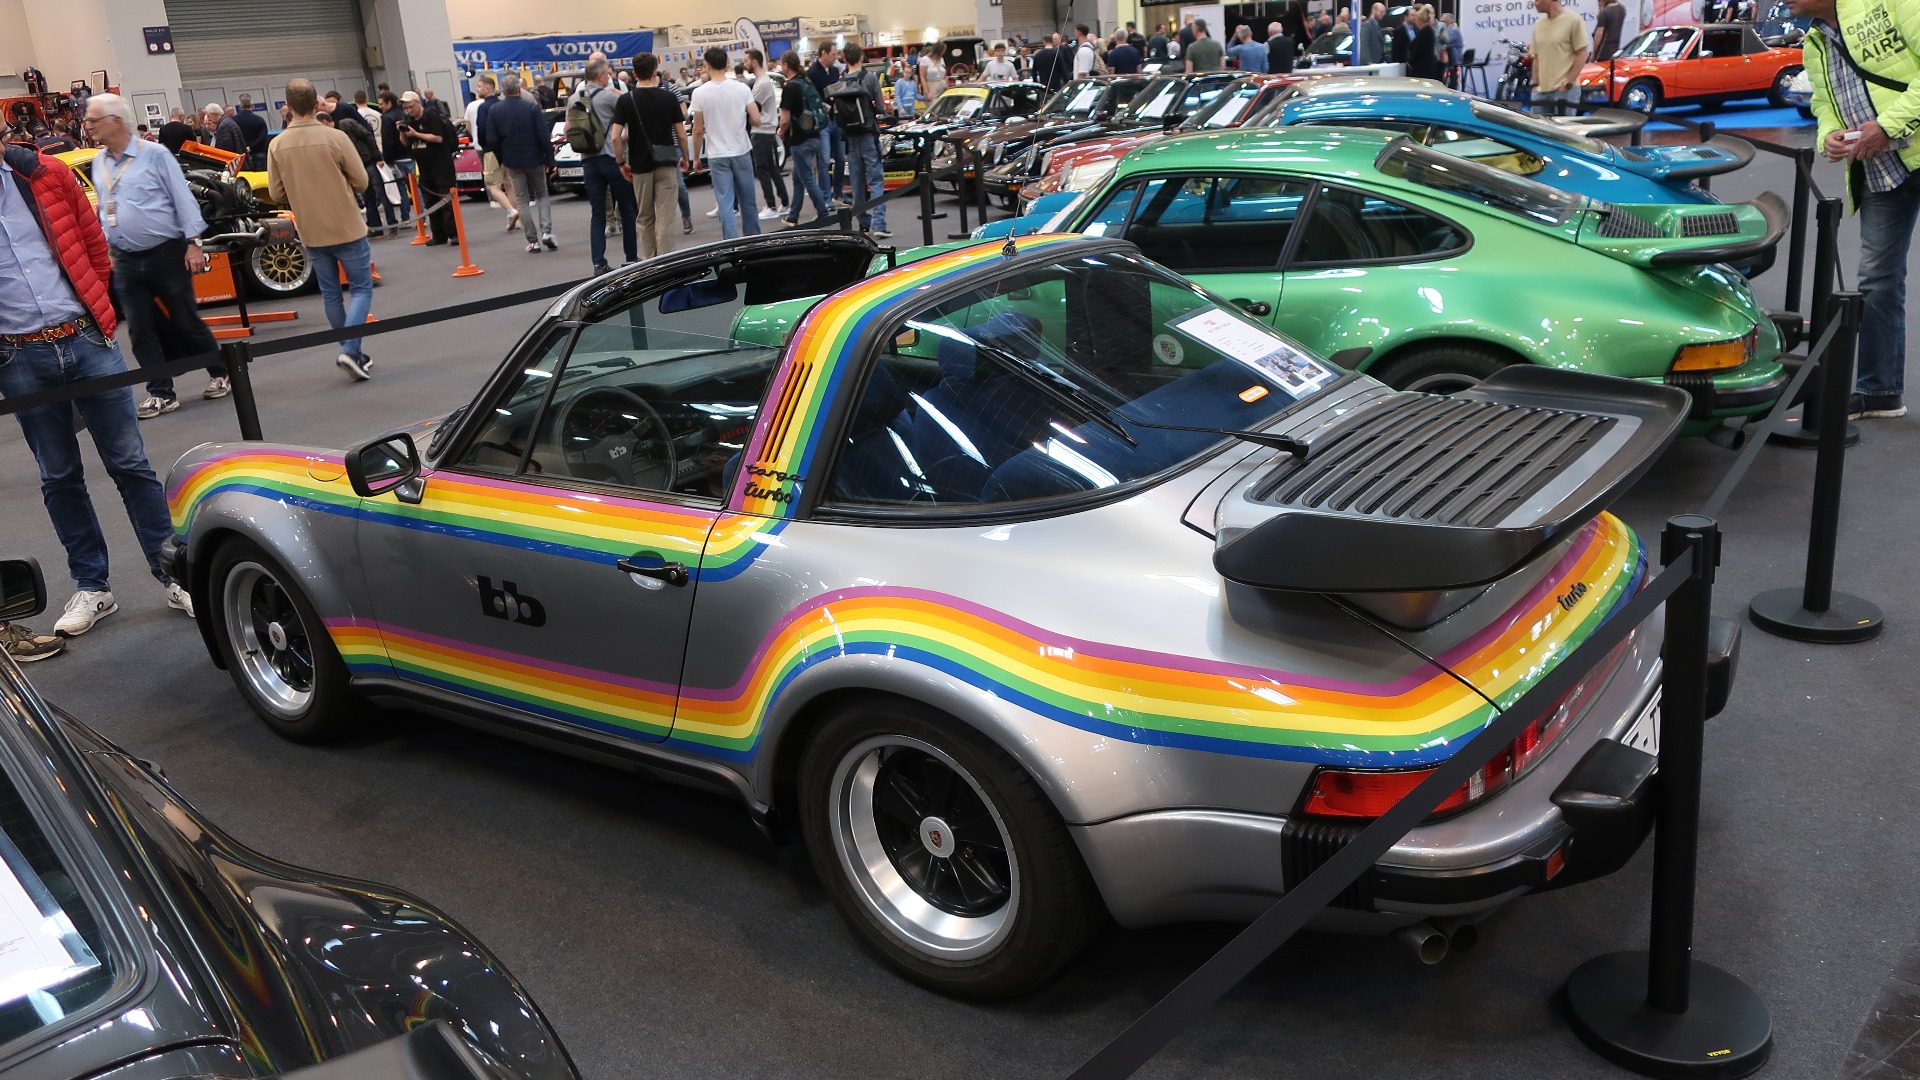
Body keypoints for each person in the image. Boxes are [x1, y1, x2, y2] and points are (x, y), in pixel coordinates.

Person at [0, 141, 194, 636]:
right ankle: (93, 586)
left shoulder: (44, 173)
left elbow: (91, 245)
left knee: (130, 463)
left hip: (85, 337)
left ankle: (171, 571)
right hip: (18, 354)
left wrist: (96, 313)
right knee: (58, 475)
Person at [1797, 0, 1917, 417]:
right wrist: (1829, 134)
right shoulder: (1814, 39)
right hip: (1880, 168)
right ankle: (1880, 392)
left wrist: (1888, 126)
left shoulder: (1892, 3)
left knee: (1878, 279)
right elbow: (1824, 103)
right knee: (1877, 280)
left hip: (1899, 145)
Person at [80, 92, 229, 422]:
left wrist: (194, 244)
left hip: (167, 253)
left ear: (115, 121)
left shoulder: (155, 155)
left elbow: (182, 199)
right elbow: (106, 211)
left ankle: (221, 370)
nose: (87, 126)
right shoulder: (99, 162)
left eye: (93, 120)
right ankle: (160, 392)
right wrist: (110, 250)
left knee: (185, 318)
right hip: (127, 259)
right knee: (139, 327)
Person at [269, 79, 375, 382]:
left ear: (287, 107)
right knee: (361, 289)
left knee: (331, 294)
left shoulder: (276, 144)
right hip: (346, 224)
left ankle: (351, 351)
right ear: (317, 104)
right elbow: (361, 181)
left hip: (311, 228)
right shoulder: (336, 137)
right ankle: (351, 350)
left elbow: (276, 193)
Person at [611, 54, 688, 257]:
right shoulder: (669, 97)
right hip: (666, 162)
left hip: (639, 165)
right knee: (666, 215)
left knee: (644, 217)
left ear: (634, 74)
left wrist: (621, 162)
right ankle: (665, 259)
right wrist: (686, 157)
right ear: (655, 70)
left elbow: (615, 138)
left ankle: (649, 262)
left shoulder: (626, 100)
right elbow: (681, 133)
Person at [569, 57, 637, 274]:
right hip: (610, 159)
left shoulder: (573, 99)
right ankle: (631, 257)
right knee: (626, 208)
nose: (609, 77)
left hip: (588, 160)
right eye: (607, 74)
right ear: (600, 76)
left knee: (597, 213)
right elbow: (630, 111)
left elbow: (569, 129)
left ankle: (599, 262)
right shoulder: (609, 97)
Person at [690, 46, 762, 239]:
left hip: (717, 154)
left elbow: (697, 130)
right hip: (741, 149)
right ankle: (753, 239)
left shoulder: (700, 93)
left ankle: (731, 243)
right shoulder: (741, 88)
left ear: (707, 65)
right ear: (726, 64)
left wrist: (696, 157)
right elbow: (756, 119)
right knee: (748, 200)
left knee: (725, 202)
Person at [480, 73, 555, 254]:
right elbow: (543, 135)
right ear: (519, 89)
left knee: (522, 199)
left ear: (503, 91)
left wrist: (501, 157)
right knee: (542, 194)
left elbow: (491, 139)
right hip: (535, 158)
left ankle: (532, 241)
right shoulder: (531, 107)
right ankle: (547, 231)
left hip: (511, 160)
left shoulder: (495, 111)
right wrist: (550, 158)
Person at [838, 45, 889, 239]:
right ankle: (879, 224)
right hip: (868, 133)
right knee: (876, 179)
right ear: (860, 56)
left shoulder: (841, 80)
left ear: (845, 59)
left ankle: (863, 222)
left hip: (850, 137)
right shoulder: (870, 78)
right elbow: (881, 107)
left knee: (857, 182)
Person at [778, 51, 832, 226]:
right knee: (797, 177)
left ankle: (823, 212)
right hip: (815, 135)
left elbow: (785, 119)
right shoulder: (805, 82)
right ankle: (793, 215)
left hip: (799, 139)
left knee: (807, 178)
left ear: (786, 65)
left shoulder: (790, 87)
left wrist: (781, 131)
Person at [396, 91, 457, 244]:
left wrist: (416, 133)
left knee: (446, 201)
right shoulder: (409, 120)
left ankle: (454, 233)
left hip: (441, 165)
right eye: (406, 108)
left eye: (411, 107)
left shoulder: (431, 115)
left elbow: (437, 137)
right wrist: (402, 133)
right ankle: (438, 234)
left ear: (418, 104)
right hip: (424, 167)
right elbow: (405, 144)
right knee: (430, 202)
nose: (409, 111)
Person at [466, 75, 518, 230]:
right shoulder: (503, 105)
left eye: (479, 86)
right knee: (509, 184)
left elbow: (482, 130)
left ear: (488, 88)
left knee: (492, 186)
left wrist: (484, 145)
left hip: (490, 151)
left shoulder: (483, 107)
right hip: (507, 150)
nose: (477, 89)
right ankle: (516, 217)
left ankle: (511, 210)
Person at [744, 51, 789, 219]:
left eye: (747, 60)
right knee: (771, 168)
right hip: (765, 130)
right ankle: (784, 202)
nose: (745, 63)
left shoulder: (761, 84)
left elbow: (753, 109)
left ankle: (771, 205)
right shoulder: (761, 82)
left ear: (755, 62)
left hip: (761, 130)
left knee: (762, 169)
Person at [1529, 0, 1591, 113]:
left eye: (1537, 0)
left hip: (1565, 91)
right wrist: (1535, 85)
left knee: (1563, 129)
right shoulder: (1538, 25)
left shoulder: (1573, 20)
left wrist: (1569, 83)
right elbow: (1536, 57)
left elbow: (1582, 54)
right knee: (1538, 129)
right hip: (1540, 92)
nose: (1534, 3)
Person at [808, 44, 848, 205]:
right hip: (823, 123)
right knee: (824, 160)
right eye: (832, 54)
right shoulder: (812, 73)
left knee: (840, 158)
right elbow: (814, 98)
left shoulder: (833, 71)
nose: (835, 57)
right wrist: (827, 104)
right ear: (823, 53)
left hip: (836, 120)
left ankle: (838, 192)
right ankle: (826, 197)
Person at [377, 90, 413, 224]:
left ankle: (406, 217)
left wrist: (387, 158)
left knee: (401, 188)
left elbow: (388, 140)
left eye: (381, 104)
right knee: (414, 188)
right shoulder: (403, 114)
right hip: (409, 155)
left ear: (389, 103)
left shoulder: (387, 118)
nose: (380, 107)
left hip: (396, 158)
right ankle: (422, 215)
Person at [230, 94, 268, 169]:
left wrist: (244, 149)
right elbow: (262, 138)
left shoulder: (233, 121)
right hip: (258, 154)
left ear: (239, 105)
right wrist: (250, 147)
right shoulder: (259, 120)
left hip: (241, 157)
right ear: (251, 104)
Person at [1408, 6, 1444, 80]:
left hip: (1422, 68)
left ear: (1421, 19)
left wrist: (1409, 61)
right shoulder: (1429, 30)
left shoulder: (1424, 31)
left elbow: (1418, 50)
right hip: (1428, 66)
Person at [1439, 12, 1467, 85]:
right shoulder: (1449, 29)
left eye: (1442, 21)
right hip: (1451, 56)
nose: (1440, 23)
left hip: (1454, 58)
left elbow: (1446, 40)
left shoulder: (1453, 29)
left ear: (1448, 21)